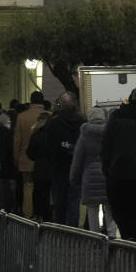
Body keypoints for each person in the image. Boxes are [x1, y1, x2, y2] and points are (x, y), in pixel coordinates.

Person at [101, 82, 136, 243]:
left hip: (118, 174)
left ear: (133, 96)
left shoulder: (117, 116)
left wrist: (106, 167)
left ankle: (128, 242)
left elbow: (106, 143)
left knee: (123, 217)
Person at [70, 105, 114, 235]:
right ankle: (112, 235)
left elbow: (78, 159)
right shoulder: (110, 133)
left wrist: (74, 178)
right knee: (109, 208)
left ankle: (95, 236)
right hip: (107, 174)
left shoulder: (84, 135)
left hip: (89, 176)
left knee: (92, 209)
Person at [44, 92, 85, 226]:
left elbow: (48, 145)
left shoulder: (54, 123)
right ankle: (73, 230)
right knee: (74, 201)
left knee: (59, 201)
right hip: (76, 167)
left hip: (58, 167)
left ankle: (60, 229)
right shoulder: (82, 122)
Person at [13, 91, 45, 218]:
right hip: (44, 159)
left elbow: (17, 139)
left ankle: (28, 213)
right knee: (44, 188)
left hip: (25, 158)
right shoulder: (49, 115)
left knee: (28, 186)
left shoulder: (21, 117)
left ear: (30, 101)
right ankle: (42, 212)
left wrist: (16, 157)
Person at [0, 109, 18, 213]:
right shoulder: (6, 132)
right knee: (6, 188)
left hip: (0, 164)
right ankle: (7, 207)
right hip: (7, 164)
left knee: (0, 188)